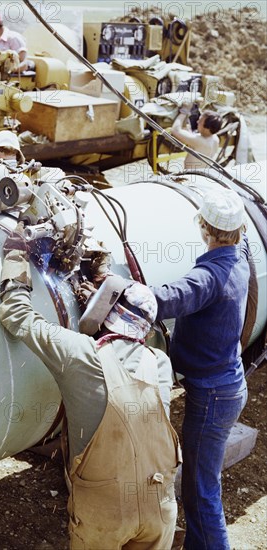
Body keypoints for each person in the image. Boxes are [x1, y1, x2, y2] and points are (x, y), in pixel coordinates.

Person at [0, 224, 181, 549]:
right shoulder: (160, 364)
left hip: (105, 514)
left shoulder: (80, 355)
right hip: (160, 505)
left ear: (107, 314)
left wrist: (15, 253)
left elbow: (16, 315)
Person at [151, 188, 249, 550]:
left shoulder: (210, 275)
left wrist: (121, 290)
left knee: (201, 490)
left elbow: (173, 296)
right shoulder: (239, 259)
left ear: (204, 226)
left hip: (212, 397)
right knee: (200, 483)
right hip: (226, 387)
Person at [171, 104, 223, 169]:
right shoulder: (215, 139)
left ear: (207, 128)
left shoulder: (199, 141)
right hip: (203, 174)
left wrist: (184, 112)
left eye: (200, 121)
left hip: (191, 175)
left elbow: (175, 130)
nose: (197, 122)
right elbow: (195, 139)